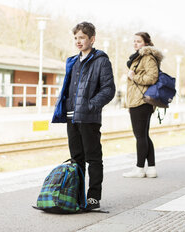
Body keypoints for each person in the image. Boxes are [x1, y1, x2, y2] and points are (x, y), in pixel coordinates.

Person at [52, 22, 115, 211]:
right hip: (71, 116)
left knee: (93, 158)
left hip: (89, 118)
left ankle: (94, 197)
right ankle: (77, 196)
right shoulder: (72, 61)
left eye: (82, 38)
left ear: (92, 39)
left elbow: (108, 89)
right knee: (76, 159)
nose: (78, 42)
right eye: (76, 38)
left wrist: (90, 106)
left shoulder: (101, 60)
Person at [122, 32, 162, 178]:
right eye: (134, 41)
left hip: (141, 101)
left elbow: (152, 77)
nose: (135, 44)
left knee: (140, 135)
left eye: (138, 41)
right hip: (138, 101)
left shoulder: (147, 57)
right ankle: (151, 168)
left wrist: (134, 76)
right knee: (144, 135)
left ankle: (139, 168)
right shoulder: (139, 58)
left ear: (145, 43)